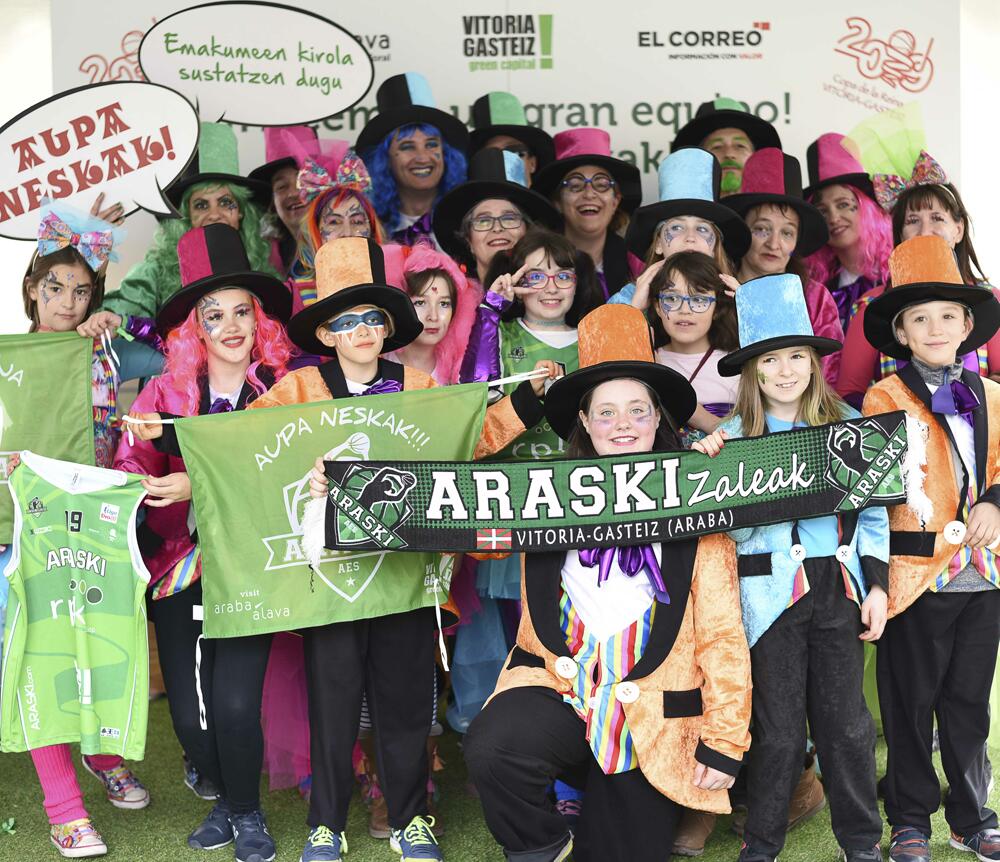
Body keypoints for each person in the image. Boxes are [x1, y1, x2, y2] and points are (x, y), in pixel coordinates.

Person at [251, 236, 550, 862]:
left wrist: (527, 399)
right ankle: (324, 824)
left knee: (406, 701)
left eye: (373, 317)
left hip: (405, 572)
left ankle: (412, 818)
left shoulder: (416, 381)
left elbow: (470, 438)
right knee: (332, 703)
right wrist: (177, 449)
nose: (362, 329)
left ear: (388, 327)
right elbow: (245, 450)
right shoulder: (298, 389)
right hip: (331, 576)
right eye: (346, 319)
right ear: (327, 333)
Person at [463, 303, 752, 862]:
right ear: (586, 425)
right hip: (558, 693)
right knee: (494, 749)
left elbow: (721, 636)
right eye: (607, 413)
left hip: (647, 719)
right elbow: (448, 493)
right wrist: (345, 489)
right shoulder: (538, 499)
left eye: (638, 411)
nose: (622, 424)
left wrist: (724, 741)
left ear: (659, 422)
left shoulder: (696, 507)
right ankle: (545, 844)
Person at [695, 273, 888, 862]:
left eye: (796, 357)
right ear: (752, 371)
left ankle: (861, 843)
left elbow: (874, 514)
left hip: (837, 587)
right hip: (766, 595)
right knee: (776, 732)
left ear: (813, 361)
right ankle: (763, 842)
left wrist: (875, 585)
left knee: (848, 726)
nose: (784, 371)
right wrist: (712, 473)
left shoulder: (850, 428)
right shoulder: (729, 441)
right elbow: (715, 532)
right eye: (771, 360)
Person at [115, 223, 294, 862]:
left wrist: (200, 477)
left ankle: (245, 814)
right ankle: (225, 795)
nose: (230, 324)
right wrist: (147, 486)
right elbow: (131, 468)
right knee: (193, 721)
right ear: (193, 328)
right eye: (212, 314)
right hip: (177, 568)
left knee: (238, 702)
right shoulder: (161, 394)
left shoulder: (285, 390)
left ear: (259, 317)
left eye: (241, 310)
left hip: (253, 565)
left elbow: (295, 470)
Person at [15, 202, 163, 859]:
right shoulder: (8, 358)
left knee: (101, 648)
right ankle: (63, 808)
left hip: (98, 527)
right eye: (56, 288)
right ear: (31, 289)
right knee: (39, 660)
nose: (68, 303)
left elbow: (165, 358)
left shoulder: (106, 351)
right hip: (21, 531)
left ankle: (104, 756)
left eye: (82, 291)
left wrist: (117, 322)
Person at [860, 235, 1000, 862]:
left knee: (969, 705)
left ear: (968, 325)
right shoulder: (884, 398)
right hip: (917, 574)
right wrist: (877, 578)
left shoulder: (995, 395)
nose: (936, 327)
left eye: (948, 315)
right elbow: (874, 492)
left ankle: (974, 816)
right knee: (910, 704)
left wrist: (995, 502)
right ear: (902, 332)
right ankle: (910, 818)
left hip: (985, 577)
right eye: (921, 318)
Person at [837, 150, 1000, 406]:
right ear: (900, 233)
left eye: (937, 218)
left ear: (958, 229)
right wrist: (895, 414)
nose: (925, 231)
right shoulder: (873, 303)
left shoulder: (988, 299)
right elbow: (848, 393)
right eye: (913, 220)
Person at [102, 122, 275, 320]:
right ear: (187, 216)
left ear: (241, 212)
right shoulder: (153, 272)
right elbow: (111, 322)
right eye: (201, 205)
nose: (214, 214)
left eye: (226, 202)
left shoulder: (263, 271)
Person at [724, 147, 844, 385]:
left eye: (787, 232)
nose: (774, 243)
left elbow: (828, 376)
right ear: (742, 232)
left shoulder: (815, 297)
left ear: (797, 240)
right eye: (761, 229)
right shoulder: (717, 291)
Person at [357, 72, 469, 247]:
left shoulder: (469, 220)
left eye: (431, 144)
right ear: (385, 159)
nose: (422, 157)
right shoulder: (365, 225)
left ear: (446, 154)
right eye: (407, 147)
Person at [532, 128, 643, 298]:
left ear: (615, 201)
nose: (589, 194)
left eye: (601, 184)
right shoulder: (535, 263)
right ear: (558, 202)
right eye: (575, 185)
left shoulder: (637, 266)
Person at [432, 148, 562, 287]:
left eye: (509, 218)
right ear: (468, 239)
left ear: (528, 231)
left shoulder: (552, 297)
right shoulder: (448, 303)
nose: (497, 228)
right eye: (483, 221)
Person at [283, 135, 384, 314]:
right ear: (315, 230)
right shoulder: (294, 295)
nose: (347, 232)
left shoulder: (393, 282)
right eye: (334, 222)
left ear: (372, 230)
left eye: (357, 221)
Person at [804, 133, 892, 337]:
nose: (833, 218)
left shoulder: (899, 272)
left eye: (843, 205)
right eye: (822, 211)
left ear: (866, 208)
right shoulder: (816, 286)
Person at [386, 244, 480, 384]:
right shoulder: (377, 364)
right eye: (420, 303)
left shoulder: (461, 372)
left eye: (444, 304)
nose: (433, 316)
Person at [248, 125, 322, 277]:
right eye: (281, 186)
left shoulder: (349, 242)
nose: (293, 193)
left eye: (303, 180)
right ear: (273, 202)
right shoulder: (265, 259)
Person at [671, 97, 782, 196]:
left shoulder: (775, 217)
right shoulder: (683, 217)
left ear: (756, 158)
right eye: (717, 147)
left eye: (740, 146)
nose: (729, 154)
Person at [468, 91, 555, 185]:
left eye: (515, 151)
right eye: (490, 155)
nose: (504, 160)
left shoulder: (546, 200)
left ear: (532, 164)